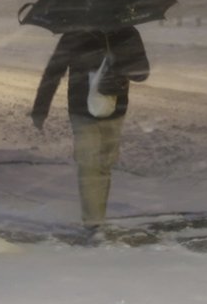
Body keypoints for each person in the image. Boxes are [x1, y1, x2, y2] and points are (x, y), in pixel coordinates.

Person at [31, 27, 149, 226]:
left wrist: (119, 68)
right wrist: (41, 107)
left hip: (114, 109)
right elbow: (55, 70)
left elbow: (142, 72)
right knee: (90, 164)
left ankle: (97, 220)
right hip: (81, 111)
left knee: (103, 166)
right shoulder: (75, 33)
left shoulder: (126, 33)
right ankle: (94, 223)